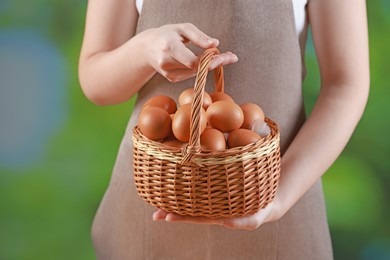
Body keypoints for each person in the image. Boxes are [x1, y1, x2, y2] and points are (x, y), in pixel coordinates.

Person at [78, 0, 369, 259]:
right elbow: (95, 80)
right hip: (152, 202)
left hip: (280, 201)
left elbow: (345, 85)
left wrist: (278, 197)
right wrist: (143, 51)